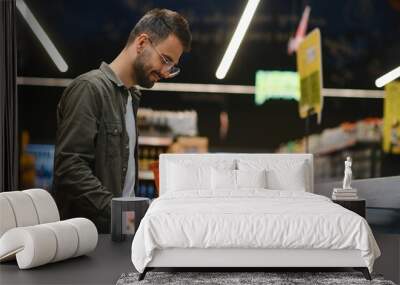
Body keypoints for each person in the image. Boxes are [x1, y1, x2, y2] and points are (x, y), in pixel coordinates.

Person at [53, 9, 192, 233]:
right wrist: (124, 216)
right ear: (142, 43)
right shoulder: (90, 89)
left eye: (172, 67)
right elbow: (70, 169)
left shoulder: (130, 98)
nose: (166, 73)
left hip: (120, 235)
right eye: (165, 60)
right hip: (92, 241)